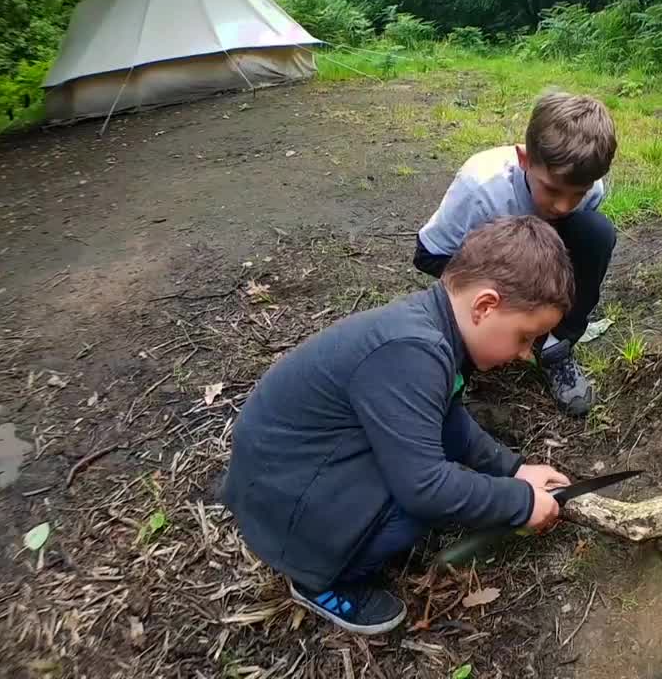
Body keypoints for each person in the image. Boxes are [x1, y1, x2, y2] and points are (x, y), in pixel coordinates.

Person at [223, 216, 575, 635]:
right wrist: (520, 502)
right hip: (284, 500)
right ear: (485, 306)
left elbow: (446, 419)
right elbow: (425, 488)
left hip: (296, 471)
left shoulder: (430, 329)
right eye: (524, 336)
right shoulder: (413, 352)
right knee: (412, 513)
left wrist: (511, 469)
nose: (524, 354)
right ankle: (317, 580)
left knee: (429, 480)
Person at [413, 91, 618, 416]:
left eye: (576, 194)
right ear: (524, 159)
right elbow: (430, 254)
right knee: (478, 313)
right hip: (468, 256)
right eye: (551, 189)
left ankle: (554, 346)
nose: (563, 205)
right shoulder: (481, 188)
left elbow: (574, 239)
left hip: (534, 245)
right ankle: (455, 370)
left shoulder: (589, 185)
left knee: (596, 232)